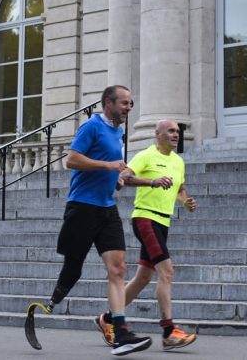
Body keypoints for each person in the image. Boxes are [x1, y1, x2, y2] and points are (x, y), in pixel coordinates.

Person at [30, 85, 151, 356]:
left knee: (118, 268)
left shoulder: (118, 131)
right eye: (124, 103)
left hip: (107, 208)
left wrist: (149, 182)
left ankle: (120, 331)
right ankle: (50, 302)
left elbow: (117, 173)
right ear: (108, 103)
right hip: (82, 208)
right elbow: (71, 160)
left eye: (131, 103)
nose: (129, 108)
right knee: (73, 269)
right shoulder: (91, 127)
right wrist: (107, 165)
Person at [96, 119, 198, 351]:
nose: (176, 134)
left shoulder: (179, 161)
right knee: (167, 270)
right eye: (171, 131)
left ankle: (109, 319)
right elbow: (124, 177)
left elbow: (180, 188)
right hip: (145, 219)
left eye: (177, 131)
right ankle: (169, 331)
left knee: (143, 277)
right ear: (158, 134)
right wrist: (151, 181)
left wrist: (186, 201)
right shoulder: (146, 155)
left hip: (163, 222)